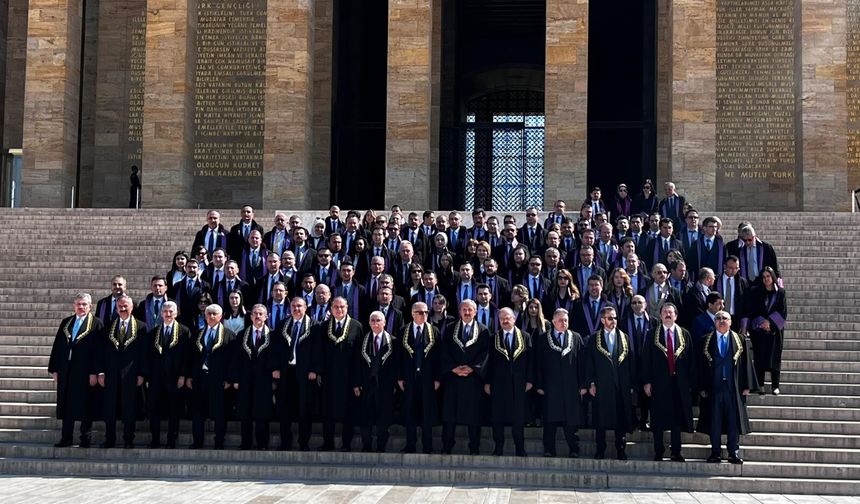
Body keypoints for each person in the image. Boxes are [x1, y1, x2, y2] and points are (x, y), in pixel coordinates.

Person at [642, 303, 695, 462]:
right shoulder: (652, 334)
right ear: (660, 315)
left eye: (670, 312)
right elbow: (646, 359)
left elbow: (691, 361)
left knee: (677, 419)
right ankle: (659, 450)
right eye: (664, 312)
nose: (667, 315)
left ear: (676, 315)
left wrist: (691, 383)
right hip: (659, 383)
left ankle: (676, 451)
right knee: (658, 418)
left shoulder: (684, 334)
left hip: (679, 383)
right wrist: (646, 381)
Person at [49, 293, 103, 448]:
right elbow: (58, 346)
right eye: (78, 304)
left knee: (86, 404)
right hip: (67, 370)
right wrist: (55, 368)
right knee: (67, 404)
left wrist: (95, 372)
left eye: (84, 304)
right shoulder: (67, 322)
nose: (81, 307)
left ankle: (85, 438)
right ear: (74, 305)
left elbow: (99, 351)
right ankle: (66, 437)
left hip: (85, 371)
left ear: (90, 306)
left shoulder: (97, 323)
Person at [698, 311, 752, 464]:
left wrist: (747, 385)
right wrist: (701, 386)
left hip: (732, 387)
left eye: (725, 318)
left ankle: (733, 452)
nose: (721, 321)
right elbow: (700, 366)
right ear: (714, 322)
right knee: (714, 420)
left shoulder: (740, 340)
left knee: (733, 421)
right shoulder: (705, 340)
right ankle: (715, 452)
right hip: (713, 388)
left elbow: (747, 364)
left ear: (731, 322)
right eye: (718, 318)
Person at [441, 300, 490, 455]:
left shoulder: (483, 331)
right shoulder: (450, 329)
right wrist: (453, 368)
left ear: (475, 311)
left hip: (473, 379)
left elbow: (485, 354)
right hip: (453, 378)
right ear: (459, 311)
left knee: (473, 415)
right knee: (449, 414)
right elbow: (444, 351)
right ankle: (447, 445)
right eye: (464, 309)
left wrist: (472, 368)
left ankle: (474, 447)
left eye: (470, 310)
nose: (467, 312)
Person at [585, 305, 634, 460]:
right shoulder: (593, 339)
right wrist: (591, 383)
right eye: (609, 318)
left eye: (614, 317)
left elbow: (631, 361)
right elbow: (590, 363)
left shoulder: (624, 337)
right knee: (601, 419)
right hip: (602, 385)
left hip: (620, 385)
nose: (613, 321)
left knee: (620, 419)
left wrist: (631, 384)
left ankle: (621, 448)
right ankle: (601, 449)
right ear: (602, 320)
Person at [96, 295, 146, 448]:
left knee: (129, 407)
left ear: (132, 308)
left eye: (126, 306)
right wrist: (101, 372)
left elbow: (144, 353)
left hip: (131, 374)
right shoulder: (109, 326)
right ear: (116, 308)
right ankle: (109, 439)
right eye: (120, 306)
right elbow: (101, 352)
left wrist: (142, 373)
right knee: (110, 407)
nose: (123, 309)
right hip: (110, 373)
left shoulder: (141, 326)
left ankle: (128, 439)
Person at [536, 308, 585, 458]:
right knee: (550, 421)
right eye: (560, 320)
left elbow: (582, 363)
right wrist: (539, 384)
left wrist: (583, 385)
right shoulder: (544, 339)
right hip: (551, 387)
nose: (563, 323)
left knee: (571, 421)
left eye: (565, 320)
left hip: (571, 387)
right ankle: (549, 449)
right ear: (553, 322)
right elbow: (538, 363)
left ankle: (574, 449)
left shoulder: (575, 337)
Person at [484, 307, 533, 457]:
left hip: (519, 383)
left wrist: (530, 380)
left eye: (507, 318)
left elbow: (531, 361)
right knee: (497, 417)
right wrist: (487, 382)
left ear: (514, 319)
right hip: (498, 384)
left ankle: (520, 447)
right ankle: (498, 447)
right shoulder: (494, 338)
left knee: (518, 417)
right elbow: (488, 362)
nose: (505, 321)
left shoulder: (525, 337)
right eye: (502, 319)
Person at [187, 304, 236, 449]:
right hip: (200, 378)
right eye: (209, 314)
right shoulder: (198, 334)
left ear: (221, 317)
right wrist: (189, 376)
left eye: (215, 314)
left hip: (219, 379)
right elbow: (192, 358)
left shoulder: (229, 335)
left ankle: (219, 441)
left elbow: (232, 360)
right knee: (198, 412)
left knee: (219, 412)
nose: (211, 316)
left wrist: (229, 378)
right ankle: (197, 441)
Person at [318, 296, 363, 451]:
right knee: (327, 411)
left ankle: (346, 444)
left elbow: (359, 356)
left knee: (348, 412)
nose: (339, 309)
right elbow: (320, 353)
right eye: (336, 307)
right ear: (331, 309)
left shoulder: (356, 326)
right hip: (329, 377)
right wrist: (319, 374)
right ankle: (328, 443)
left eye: (342, 307)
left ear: (347, 308)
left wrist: (357, 381)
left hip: (349, 378)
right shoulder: (324, 327)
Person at [143, 301, 189, 449]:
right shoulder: (154, 332)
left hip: (174, 378)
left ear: (176, 313)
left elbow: (186, 357)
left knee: (173, 410)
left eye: (171, 312)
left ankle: (171, 440)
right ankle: (155, 439)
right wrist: (148, 376)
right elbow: (148, 356)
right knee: (154, 410)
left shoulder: (184, 331)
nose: (168, 314)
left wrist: (183, 375)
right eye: (165, 311)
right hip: (156, 378)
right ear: (161, 313)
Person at [275, 296, 319, 451]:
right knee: (284, 408)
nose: (296, 309)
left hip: (305, 373)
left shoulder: (314, 326)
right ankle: (285, 441)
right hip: (286, 372)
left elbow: (317, 351)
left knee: (304, 408)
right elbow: (276, 349)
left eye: (299, 306)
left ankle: (303, 442)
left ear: (306, 307)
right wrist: (275, 368)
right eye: (293, 306)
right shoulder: (282, 325)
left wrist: (314, 369)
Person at [353, 311, 399, 452]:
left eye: (378, 320)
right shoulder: (362, 341)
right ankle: (366, 444)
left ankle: (381, 445)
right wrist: (356, 383)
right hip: (366, 385)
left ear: (384, 322)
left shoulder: (393, 341)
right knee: (365, 416)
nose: (375, 323)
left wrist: (395, 384)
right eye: (372, 320)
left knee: (383, 417)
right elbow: (356, 364)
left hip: (385, 386)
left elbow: (397, 365)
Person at [398, 302, 441, 454]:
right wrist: (400, 377)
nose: (424, 315)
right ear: (412, 313)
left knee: (426, 413)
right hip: (409, 378)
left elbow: (438, 357)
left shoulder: (434, 331)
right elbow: (399, 357)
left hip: (427, 379)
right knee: (410, 412)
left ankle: (427, 445)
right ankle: (410, 445)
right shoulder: (404, 331)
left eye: (426, 312)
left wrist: (437, 378)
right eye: (420, 312)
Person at [232, 304, 276, 450]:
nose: (257, 316)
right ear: (250, 317)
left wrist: (273, 380)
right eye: (255, 314)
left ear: (266, 316)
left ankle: (262, 443)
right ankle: (246, 443)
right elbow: (236, 359)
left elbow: (275, 359)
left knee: (262, 413)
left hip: (264, 381)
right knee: (245, 413)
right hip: (245, 380)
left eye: (260, 314)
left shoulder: (273, 335)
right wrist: (236, 379)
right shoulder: (241, 335)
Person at [747, 266, 787, 395]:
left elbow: (783, 311)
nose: (766, 279)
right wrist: (761, 322)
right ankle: (761, 385)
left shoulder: (780, 292)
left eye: (768, 276)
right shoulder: (756, 292)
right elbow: (752, 310)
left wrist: (770, 322)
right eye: (764, 277)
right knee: (760, 358)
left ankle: (775, 385)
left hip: (775, 331)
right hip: (759, 330)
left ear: (773, 277)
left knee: (775, 358)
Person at [621, 294, 654, 430]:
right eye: (633, 303)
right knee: (632, 393)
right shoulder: (624, 322)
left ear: (645, 304)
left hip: (648, 363)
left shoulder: (653, 321)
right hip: (630, 363)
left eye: (639, 302)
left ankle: (645, 420)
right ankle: (633, 420)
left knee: (647, 393)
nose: (636, 305)